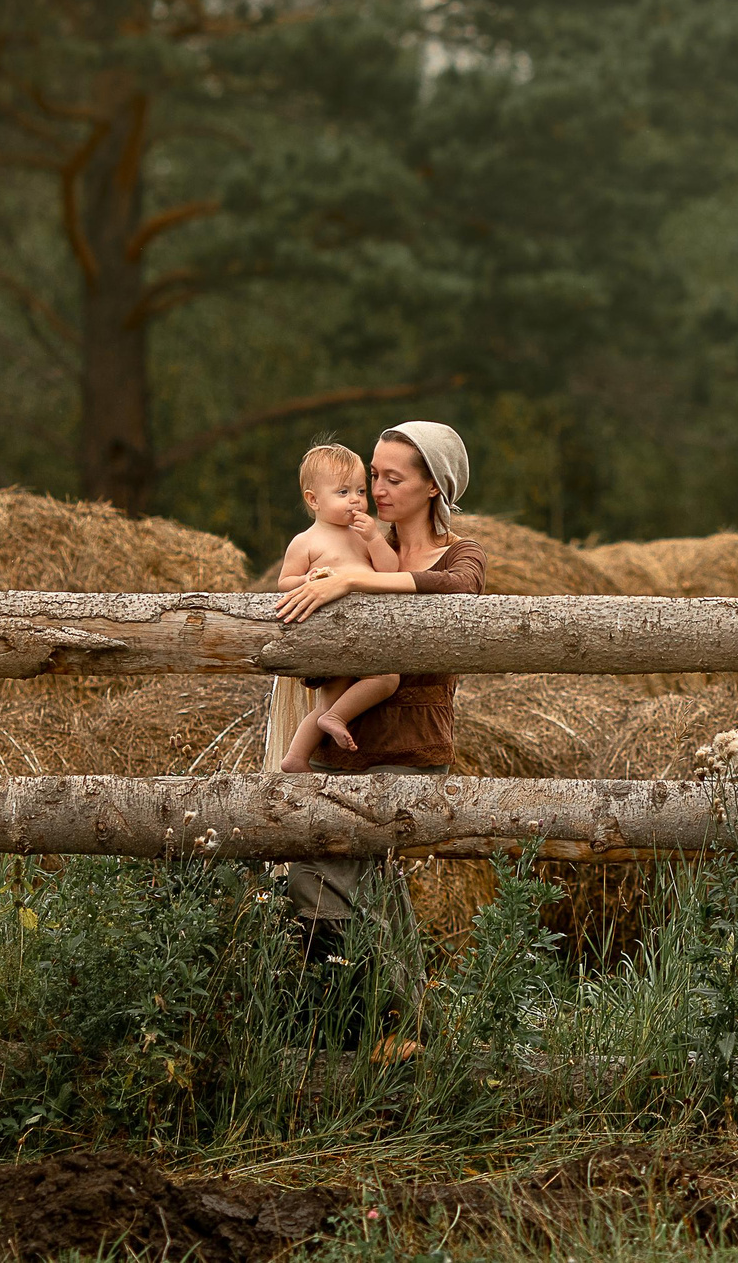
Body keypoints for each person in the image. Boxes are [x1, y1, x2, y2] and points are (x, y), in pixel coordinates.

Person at [271, 422, 484, 1048]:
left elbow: (459, 592)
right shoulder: (353, 545)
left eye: (394, 478)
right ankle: (354, 1027)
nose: (377, 489)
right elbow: (310, 657)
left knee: (355, 876)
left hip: (411, 751)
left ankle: (390, 1029)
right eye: (374, 474)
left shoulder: (457, 554)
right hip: (344, 749)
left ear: (434, 488)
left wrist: (351, 584)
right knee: (322, 879)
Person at [270, 442, 402, 773]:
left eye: (360, 490)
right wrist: (307, 579)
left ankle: (296, 758)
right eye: (343, 492)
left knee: (373, 683)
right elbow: (284, 582)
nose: (356, 500)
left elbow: (391, 570)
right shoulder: (306, 542)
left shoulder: (362, 535)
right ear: (313, 500)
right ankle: (327, 725)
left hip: (365, 630)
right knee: (385, 679)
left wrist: (374, 539)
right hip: (329, 634)